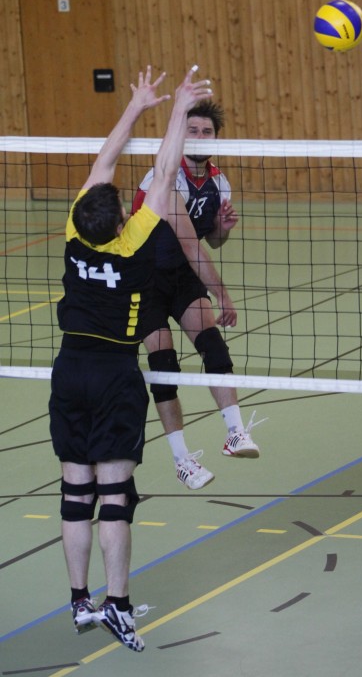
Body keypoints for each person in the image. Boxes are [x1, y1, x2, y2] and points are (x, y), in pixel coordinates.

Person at [48, 65, 213, 652]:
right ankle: (117, 605)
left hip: (69, 370)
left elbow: (104, 160)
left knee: (76, 491)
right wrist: (175, 110)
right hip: (115, 374)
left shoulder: (76, 232)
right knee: (115, 493)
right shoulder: (137, 239)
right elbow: (165, 171)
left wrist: (137, 105)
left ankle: (79, 601)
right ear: (121, 220)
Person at [131, 100, 265, 491]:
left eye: (206, 132)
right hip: (144, 280)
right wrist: (223, 295)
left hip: (182, 277)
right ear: (180, 135)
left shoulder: (219, 182)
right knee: (164, 365)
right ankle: (182, 461)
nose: (200, 137)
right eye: (192, 131)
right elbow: (191, 245)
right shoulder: (164, 176)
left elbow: (212, 241)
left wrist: (222, 228)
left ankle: (235, 433)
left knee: (213, 345)